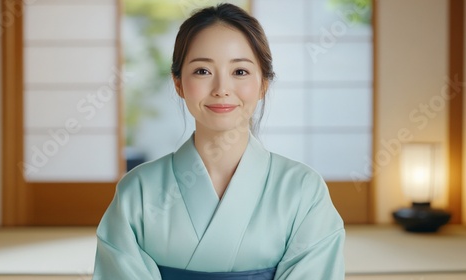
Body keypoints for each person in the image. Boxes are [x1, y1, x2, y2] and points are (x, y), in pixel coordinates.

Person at [92, 3, 345, 280]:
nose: (222, 89)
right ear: (178, 82)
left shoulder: (303, 191)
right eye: (202, 71)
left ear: (263, 84)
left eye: (240, 72)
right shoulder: (137, 192)